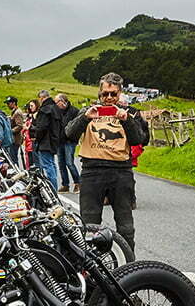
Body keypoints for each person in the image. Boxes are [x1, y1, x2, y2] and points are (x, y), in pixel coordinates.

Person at [64, 72, 149, 251]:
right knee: (89, 225)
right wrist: (85, 117)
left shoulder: (130, 113)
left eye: (113, 94)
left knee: (126, 226)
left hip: (121, 172)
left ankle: (129, 266)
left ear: (120, 94)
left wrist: (126, 120)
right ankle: (90, 270)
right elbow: (69, 133)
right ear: (99, 93)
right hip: (92, 171)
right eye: (105, 94)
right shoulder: (88, 111)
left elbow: (138, 139)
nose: (109, 98)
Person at [31, 89, 61, 189]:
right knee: (52, 164)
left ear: (42, 98)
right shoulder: (56, 108)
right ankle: (54, 186)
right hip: (54, 139)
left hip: (45, 142)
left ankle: (52, 188)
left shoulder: (44, 110)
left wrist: (37, 138)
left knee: (48, 166)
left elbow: (41, 127)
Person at [54, 93, 81, 193]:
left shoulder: (74, 111)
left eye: (56, 102)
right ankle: (65, 184)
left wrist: (73, 137)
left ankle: (78, 183)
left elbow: (78, 126)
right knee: (61, 164)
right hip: (59, 140)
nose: (55, 104)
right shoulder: (57, 112)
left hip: (70, 141)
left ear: (62, 101)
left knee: (69, 163)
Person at [4, 95, 24, 164]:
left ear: (14, 103)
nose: (7, 105)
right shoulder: (14, 112)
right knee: (13, 158)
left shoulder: (17, 112)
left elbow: (20, 126)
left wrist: (9, 131)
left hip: (15, 139)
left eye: (8, 103)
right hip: (14, 139)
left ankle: (16, 172)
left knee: (13, 159)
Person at [22, 100, 38, 169]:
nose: (27, 111)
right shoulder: (29, 118)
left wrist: (27, 128)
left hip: (31, 143)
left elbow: (33, 129)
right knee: (29, 161)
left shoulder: (34, 117)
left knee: (33, 162)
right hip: (28, 143)